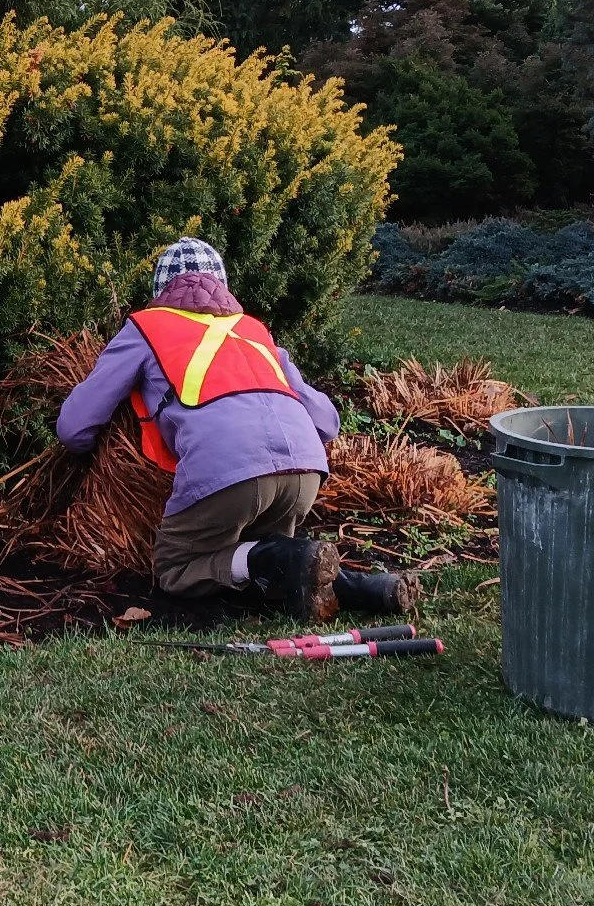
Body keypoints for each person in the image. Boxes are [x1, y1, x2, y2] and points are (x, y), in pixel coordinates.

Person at [54, 237, 416, 622]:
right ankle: (365, 588)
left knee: (176, 568)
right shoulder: (253, 330)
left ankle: (269, 557)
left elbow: (74, 427)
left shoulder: (145, 328)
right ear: (223, 286)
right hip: (305, 473)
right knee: (281, 562)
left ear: (159, 291)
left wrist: (88, 454)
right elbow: (327, 423)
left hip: (226, 473)